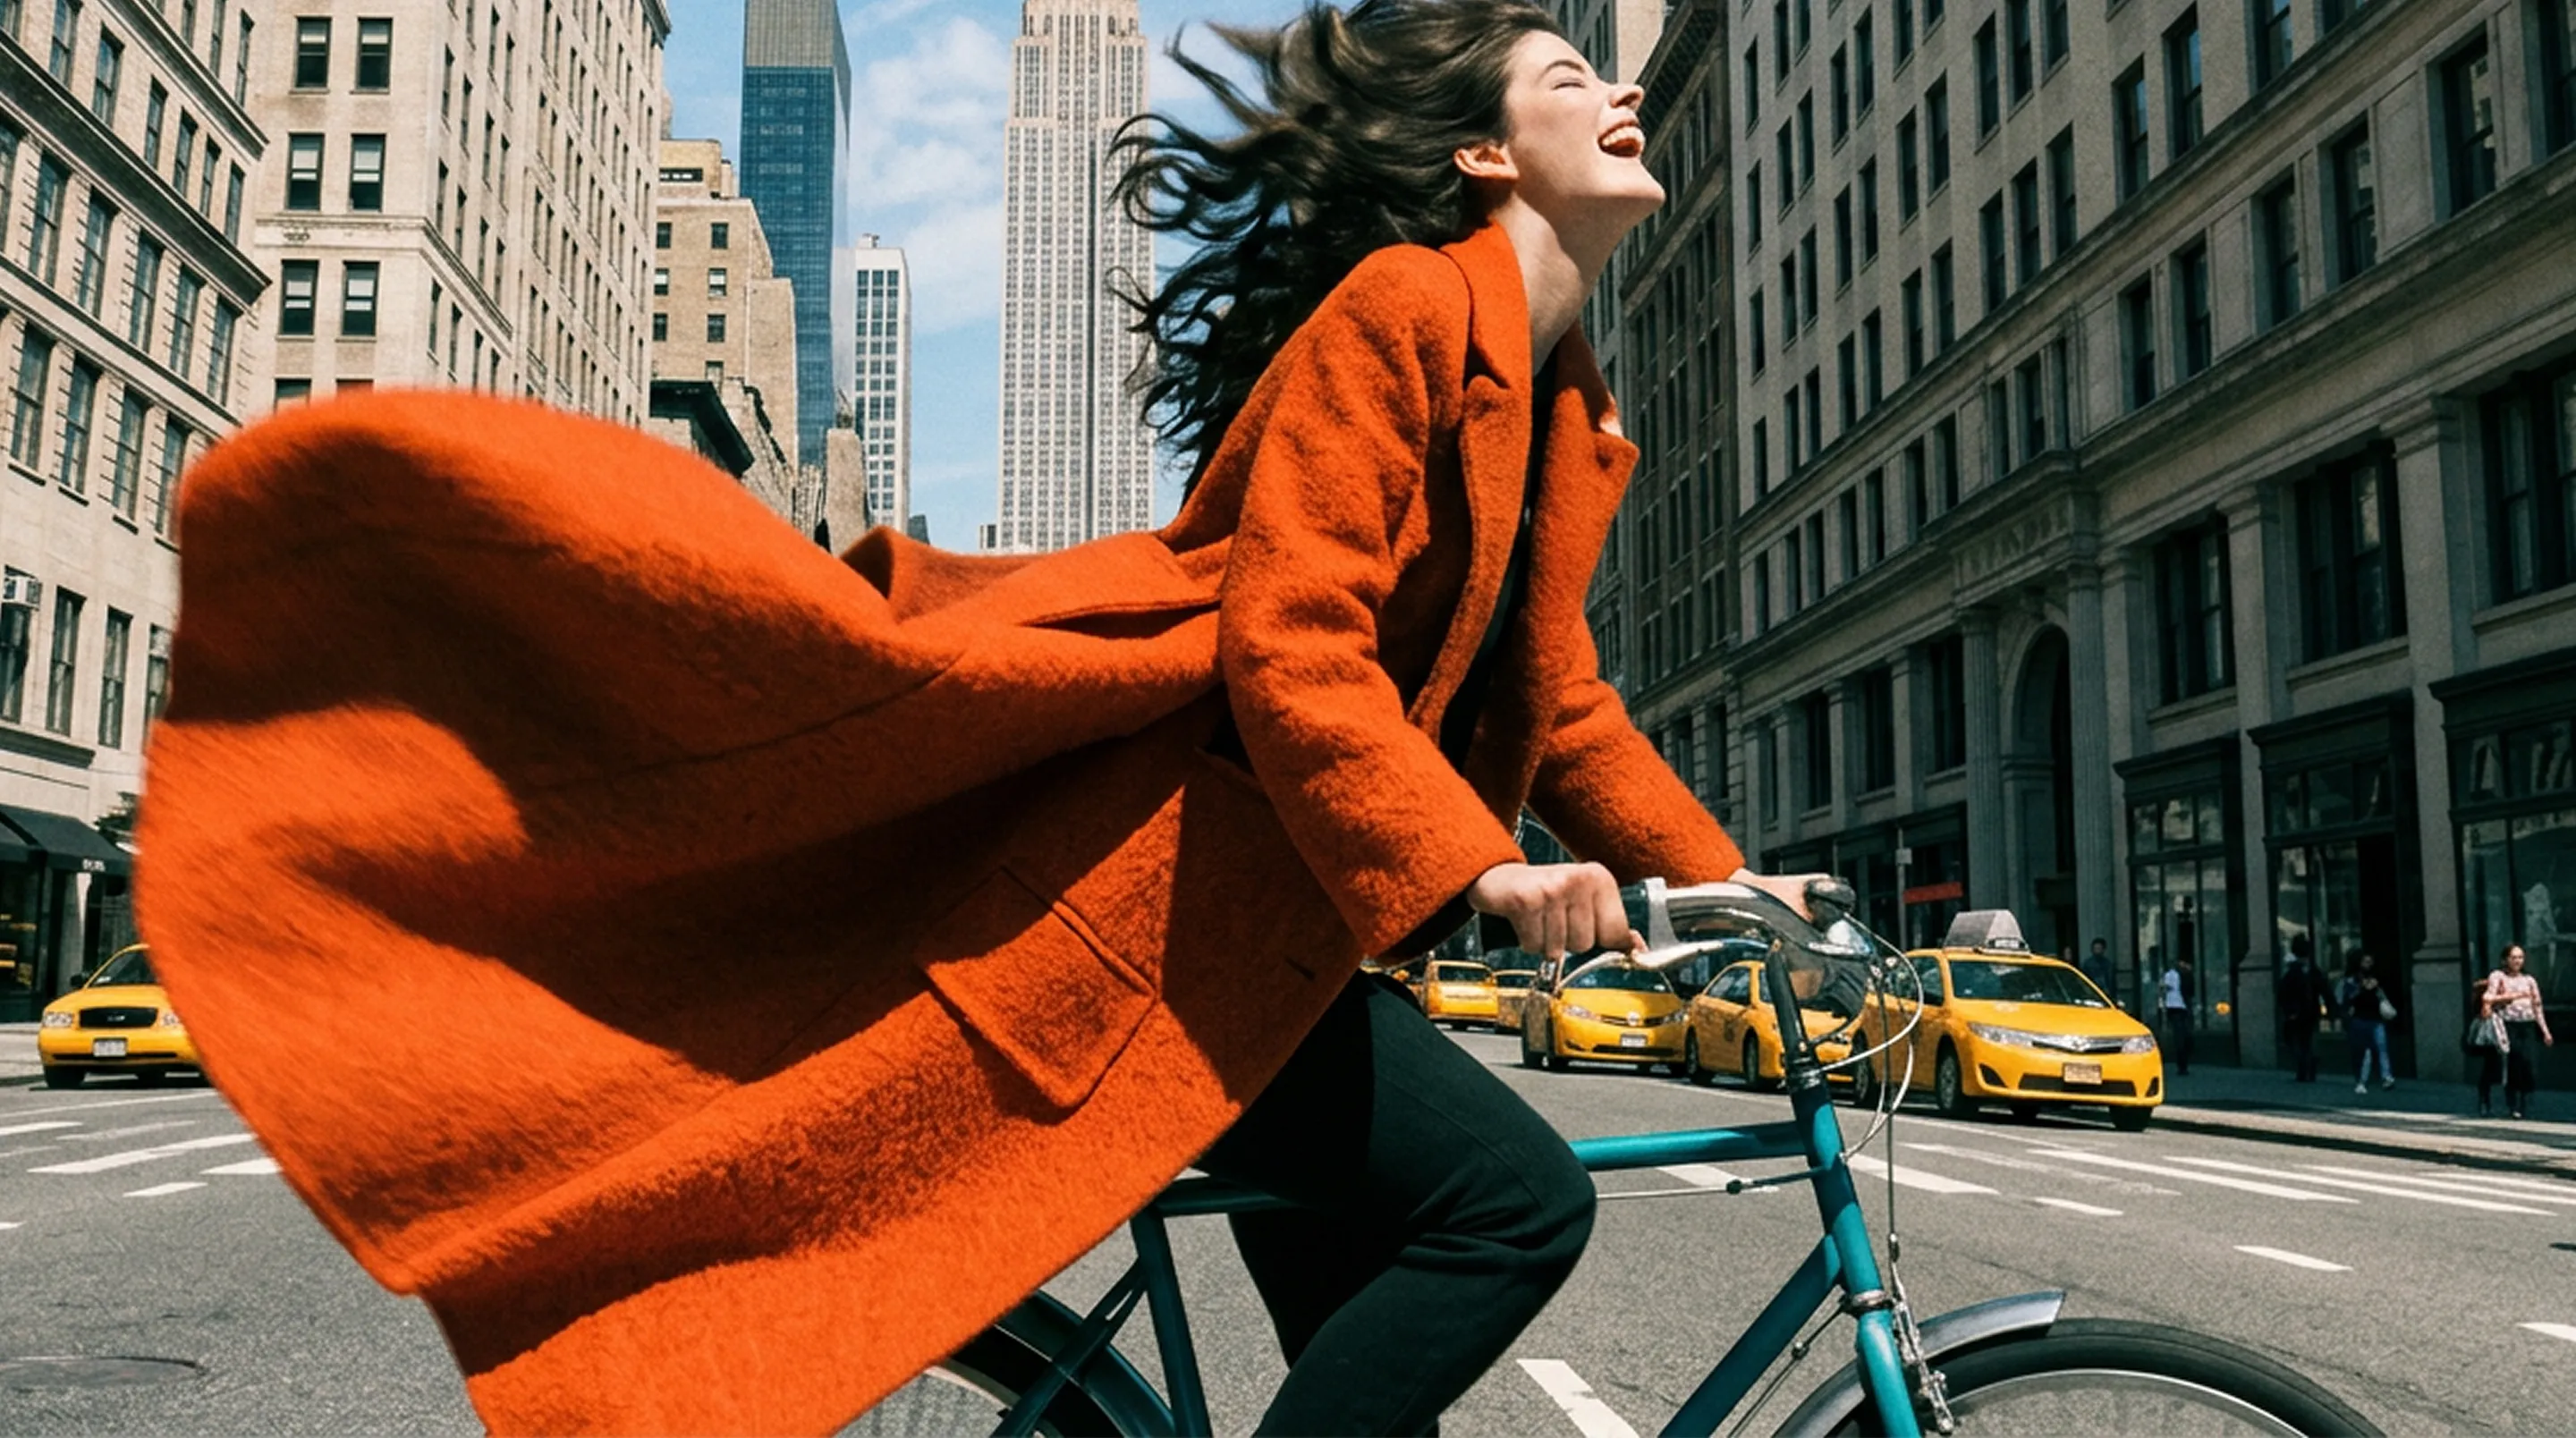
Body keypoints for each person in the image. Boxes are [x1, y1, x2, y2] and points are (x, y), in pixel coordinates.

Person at [130, 4, 1821, 1433]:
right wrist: (1481, 874)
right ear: (1481, 156)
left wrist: (1740, 885)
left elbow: (1564, 697)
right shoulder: (1398, 317)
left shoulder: (1566, 398)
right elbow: (1293, 643)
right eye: (1568, 83)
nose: (1625, 94)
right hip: (1180, 934)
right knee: (1516, 1204)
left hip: (1282, 948)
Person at [2479, 943, 2555, 1119]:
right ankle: (2511, 1102)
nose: (2517, 961)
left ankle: (2524, 1101)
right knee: (2513, 1063)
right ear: (2505, 959)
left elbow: (2537, 1006)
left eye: (2520, 957)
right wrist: (2511, 997)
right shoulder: (2498, 976)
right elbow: (2488, 997)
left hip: (2527, 1024)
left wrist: (2545, 1031)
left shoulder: (2529, 980)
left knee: (2528, 1063)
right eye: (2513, 957)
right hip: (2506, 1025)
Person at [2338, 952, 2397, 1095]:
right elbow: (2348, 998)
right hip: (2361, 1019)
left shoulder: (2376, 979)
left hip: (2375, 1018)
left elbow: (2383, 996)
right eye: (2366, 962)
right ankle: (2362, 1081)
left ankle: (2386, 1077)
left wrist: (2376, 987)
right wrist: (2362, 988)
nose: (2368, 965)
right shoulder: (2352, 980)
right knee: (2366, 1052)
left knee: (2381, 1048)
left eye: (2370, 962)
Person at [2278, 938, 2323, 1083]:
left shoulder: (2292, 972)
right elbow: (2324, 989)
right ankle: (2310, 1068)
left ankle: (2303, 1069)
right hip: (2311, 1013)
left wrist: (2288, 1011)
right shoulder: (2313, 971)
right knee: (2308, 1041)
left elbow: (2283, 993)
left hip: (2297, 1014)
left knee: (2297, 1042)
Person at [2160, 952, 2196, 1076]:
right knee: (2182, 1035)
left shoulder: (2171, 975)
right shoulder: (2182, 974)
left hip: (2175, 1007)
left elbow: (2165, 989)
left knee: (2180, 1036)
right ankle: (2183, 1064)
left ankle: (2182, 1064)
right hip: (2181, 1007)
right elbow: (2191, 991)